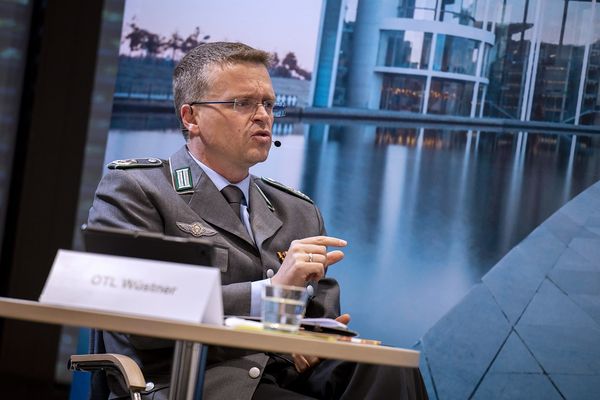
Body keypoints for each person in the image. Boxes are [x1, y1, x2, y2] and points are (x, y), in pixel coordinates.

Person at [88, 41, 427, 400]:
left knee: (390, 366)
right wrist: (271, 297)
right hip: (195, 383)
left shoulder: (297, 210)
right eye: (243, 104)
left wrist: (319, 338)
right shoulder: (138, 189)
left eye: (267, 103)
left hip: (288, 375)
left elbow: (320, 323)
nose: (263, 115)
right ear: (191, 118)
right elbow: (139, 317)